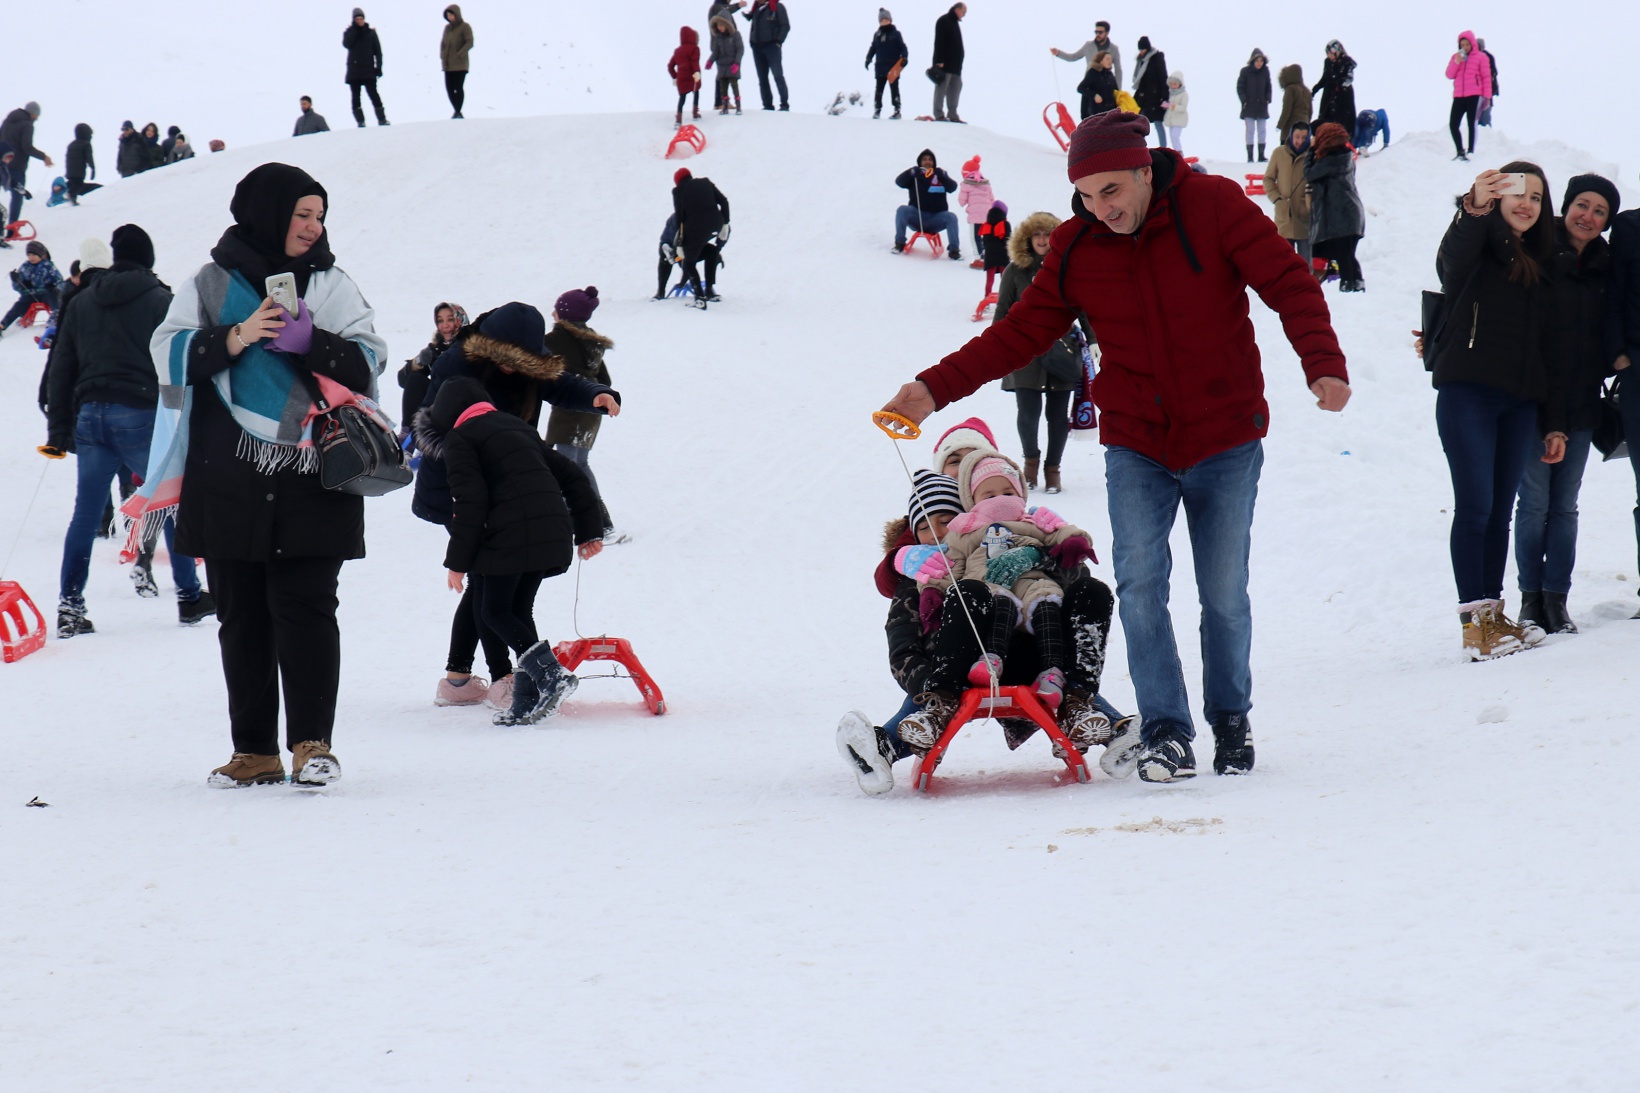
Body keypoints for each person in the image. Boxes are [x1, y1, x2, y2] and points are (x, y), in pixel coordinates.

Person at [877, 110, 1351, 783]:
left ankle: (1230, 719)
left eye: (1111, 190)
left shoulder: (1214, 206)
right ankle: (1167, 732)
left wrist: (1322, 362)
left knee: (1222, 593)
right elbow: (1017, 334)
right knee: (1139, 585)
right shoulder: (1077, 246)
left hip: (1224, 435)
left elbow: (1288, 282)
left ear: (1143, 170)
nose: (1101, 208)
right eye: (1086, 195)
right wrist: (932, 388)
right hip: (1137, 442)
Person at [139, 163, 388, 787]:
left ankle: (312, 745)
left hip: (313, 475)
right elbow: (166, 353)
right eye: (302, 214)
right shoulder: (208, 284)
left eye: (319, 215)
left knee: (307, 609)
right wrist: (236, 335)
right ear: (267, 212)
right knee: (241, 616)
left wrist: (313, 343)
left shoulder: (332, 285)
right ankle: (254, 752)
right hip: (227, 478)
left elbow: (367, 363)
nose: (313, 226)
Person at [412, 302, 620, 711]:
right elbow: (435, 424)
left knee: (487, 585)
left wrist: (595, 393)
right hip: (461, 488)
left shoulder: (530, 371)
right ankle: (504, 679)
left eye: (522, 363)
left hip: (506, 489)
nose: (512, 369)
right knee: (490, 584)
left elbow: (561, 383)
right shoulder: (458, 364)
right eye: (505, 361)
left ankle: (458, 680)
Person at [43, 224, 212, 636]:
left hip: (90, 417)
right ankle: (189, 597)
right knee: (167, 502)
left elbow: (62, 366)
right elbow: (182, 364)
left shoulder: (81, 301)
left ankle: (70, 607)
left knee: (85, 515)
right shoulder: (161, 300)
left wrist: (58, 430)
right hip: (140, 415)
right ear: (147, 259)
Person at [1420, 162, 1559, 659]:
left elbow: (1548, 346)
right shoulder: (1477, 243)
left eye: (1537, 197)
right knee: (1475, 507)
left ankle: (1492, 616)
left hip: (1518, 402)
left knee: (1499, 513)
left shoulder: (1542, 261)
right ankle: (1474, 627)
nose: (1527, 204)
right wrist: (1474, 207)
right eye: (1517, 193)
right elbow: (1451, 262)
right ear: (1498, 199)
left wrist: (1551, 418)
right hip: (1469, 393)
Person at [430, 378, 605, 725]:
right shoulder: (517, 427)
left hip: (510, 535)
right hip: (550, 529)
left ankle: (551, 675)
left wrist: (457, 562)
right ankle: (527, 698)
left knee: (494, 611)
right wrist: (588, 530)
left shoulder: (460, 437)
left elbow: (469, 501)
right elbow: (573, 475)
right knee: (518, 611)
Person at [897, 452, 1092, 707]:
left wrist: (1047, 553)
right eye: (924, 528)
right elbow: (903, 647)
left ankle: (1073, 694)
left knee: (1055, 606)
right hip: (958, 665)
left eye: (946, 521)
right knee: (978, 596)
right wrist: (929, 590)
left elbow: (1074, 569)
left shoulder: (1033, 524)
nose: (937, 534)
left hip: (1030, 643)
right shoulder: (923, 566)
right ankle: (924, 714)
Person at [1513, 175, 1619, 635]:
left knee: (1565, 506)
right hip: (1533, 401)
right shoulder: (1536, 253)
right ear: (1566, 206)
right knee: (1534, 503)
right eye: (1582, 205)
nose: (1588, 216)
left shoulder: (1606, 267)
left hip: (1582, 405)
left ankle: (1556, 598)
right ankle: (1530, 599)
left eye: (1600, 211)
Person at [997, 212, 1080, 492]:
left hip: (1062, 350)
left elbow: (1085, 308)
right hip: (1025, 353)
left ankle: (1053, 469)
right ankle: (1030, 465)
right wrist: (998, 347)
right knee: (1028, 413)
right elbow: (1002, 310)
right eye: (1037, 235)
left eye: (1047, 234)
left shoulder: (1067, 268)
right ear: (1027, 239)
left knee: (1058, 417)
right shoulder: (1015, 271)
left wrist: (1094, 341)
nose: (1042, 240)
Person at [543, 287, 619, 539]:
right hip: (590, 409)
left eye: (557, 308)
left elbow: (533, 354)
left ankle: (589, 521)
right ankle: (600, 521)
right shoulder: (592, 340)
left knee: (567, 467)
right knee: (580, 464)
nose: (552, 313)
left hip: (570, 411)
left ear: (565, 313)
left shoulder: (557, 338)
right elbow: (604, 379)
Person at [1306, 122, 1366, 292]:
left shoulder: (1331, 160)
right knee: (1347, 254)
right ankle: (1356, 284)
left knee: (1342, 254)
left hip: (1342, 214)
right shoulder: (1344, 157)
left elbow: (1309, 174)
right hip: (1351, 213)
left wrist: (1310, 151)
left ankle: (1348, 285)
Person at [398, 301, 467, 438]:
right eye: (440, 321)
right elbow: (403, 380)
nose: (445, 325)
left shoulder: (470, 348)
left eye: (450, 319)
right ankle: (408, 434)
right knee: (415, 379)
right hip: (437, 404)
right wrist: (418, 362)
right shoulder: (436, 349)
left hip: (463, 405)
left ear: (460, 320)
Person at [671, 168, 730, 308]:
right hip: (716, 223)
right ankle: (709, 290)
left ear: (678, 181)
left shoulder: (678, 191)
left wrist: (680, 243)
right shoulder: (705, 182)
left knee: (688, 262)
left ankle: (699, 298)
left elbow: (680, 218)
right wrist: (725, 223)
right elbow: (724, 201)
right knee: (711, 251)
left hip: (696, 227)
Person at [891, 149, 961, 259]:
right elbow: (899, 182)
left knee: (951, 217)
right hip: (917, 216)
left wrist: (942, 176)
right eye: (924, 159)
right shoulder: (915, 176)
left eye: (930, 159)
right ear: (920, 162)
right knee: (902, 210)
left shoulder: (939, 175)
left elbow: (952, 188)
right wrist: (910, 173)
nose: (927, 162)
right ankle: (900, 243)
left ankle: (954, 250)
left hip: (936, 218)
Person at [1263, 122, 1313, 265]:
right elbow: (1268, 179)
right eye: (1297, 137)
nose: (1300, 141)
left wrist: (1309, 202)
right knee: (1284, 265)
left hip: (1305, 219)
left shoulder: (1313, 155)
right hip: (1284, 218)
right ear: (1291, 135)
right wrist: (1277, 199)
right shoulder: (1279, 153)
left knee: (1305, 266)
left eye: (1304, 137)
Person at [1, 102, 51, 232]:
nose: (37, 119)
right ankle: (12, 230)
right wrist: (44, 157)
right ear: (33, 114)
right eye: (37, 116)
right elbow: (27, 147)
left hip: (3, 164)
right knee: (17, 196)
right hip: (17, 165)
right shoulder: (27, 125)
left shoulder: (7, 121)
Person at [1446, 31, 1491, 162]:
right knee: (1453, 124)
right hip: (1459, 95)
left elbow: (1486, 77)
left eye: (1467, 44)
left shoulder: (1481, 57)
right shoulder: (1456, 57)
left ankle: (1471, 151)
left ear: (1472, 44)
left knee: (1471, 122)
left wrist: (1487, 97)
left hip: (1474, 94)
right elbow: (1449, 75)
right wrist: (1457, 62)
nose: (1465, 47)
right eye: (1462, 45)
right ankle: (1460, 151)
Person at [1, 240, 63, 333]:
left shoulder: (48, 266)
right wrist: (16, 281)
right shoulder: (25, 267)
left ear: (41, 255)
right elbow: (18, 288)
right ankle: (3, 325)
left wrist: (56, 289)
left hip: (46, 293)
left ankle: (55, 322)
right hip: (30, 294)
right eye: (29, 255)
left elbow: (60, 281)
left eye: (34, 255)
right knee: (19, 305)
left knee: (55, 302)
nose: (31, 258)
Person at [344, 8, 389, 128]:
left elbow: (378, 52)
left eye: (361, 19)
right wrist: (355, 30)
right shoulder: (349, 32)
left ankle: (382, 119)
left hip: (368, 70)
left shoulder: (371, 33)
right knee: (355, 97)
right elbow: (346, 44)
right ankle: (360, 122)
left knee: (374, 95)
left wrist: (379, 67)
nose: (359, 21)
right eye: (357, 19)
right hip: (354, 71)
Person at [742, 0, 790, 112]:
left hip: (772, 46)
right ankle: (767, 105)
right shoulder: (756, 9)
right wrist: (752, 42)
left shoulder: (777, 7)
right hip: (757, 47)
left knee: (778, 76)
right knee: (762, 78)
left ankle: (784, 104)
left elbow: (785, 25)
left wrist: (778, 41)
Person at [1051, 21, 1122, 92]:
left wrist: (1118, 90)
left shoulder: (1114, 49)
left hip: (1106, 85)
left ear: (1107, 33)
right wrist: (1058, 53)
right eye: (1096, 32)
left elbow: (1118, 70)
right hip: (1090, 84)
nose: (1098, 34)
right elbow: (1073, 57)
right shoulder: (1088, 46)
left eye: (1100, 32)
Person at [864, 9, 907, 121]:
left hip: (893, 67)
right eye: (882, 20)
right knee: (879, 90)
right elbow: (873, 48)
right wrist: (868, 58)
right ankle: (877, 110)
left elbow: (903, 47)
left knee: (894, 89)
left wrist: (905, 57)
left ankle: (897, 111)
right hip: (880, 67)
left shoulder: (896, 34)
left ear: (890, 20)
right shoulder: (877, 35)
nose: (884, 22)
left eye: (886, 20)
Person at [1130, 37, 1169, 147]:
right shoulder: (1140, 61)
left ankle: (1163, 148)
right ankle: (1140, 147)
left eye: (1143, 49)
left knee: (1158, 123)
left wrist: (1165, 97)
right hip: (1144, 98)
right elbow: (1140, 81)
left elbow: (1163, 77)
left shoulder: (1157, 57)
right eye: (1140, 49)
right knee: (1140, 123)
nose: (1142, 52)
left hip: (1156, 98)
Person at [931, 3, 966, 124]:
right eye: (963, 12)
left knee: (956, 87)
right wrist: (939, 60)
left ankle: (952, 114)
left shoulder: (954, 22)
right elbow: (939, 41)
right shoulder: (944, 20)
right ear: (957, 9)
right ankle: (939, 114)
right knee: (942, 88)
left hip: (955, 66)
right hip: (945, 64)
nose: (964, 15)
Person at [956, 156, 994, 265]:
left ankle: (979, 259)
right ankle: (987, 257)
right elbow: (992, 200)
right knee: (986, 237)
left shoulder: (966, 184)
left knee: (975, 237)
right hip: (987, 216)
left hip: (975, 216)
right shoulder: (985, 183)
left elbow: (962, 201)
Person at [1313, 40, 1357, 129]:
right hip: (1328, 96)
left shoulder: (1346, 62)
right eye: (1327, 53)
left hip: (1342, 98)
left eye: (1330, 53)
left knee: (1342, 123)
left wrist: (1340, 83)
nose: (1329, 55)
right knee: (1324, 121)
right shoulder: (1328, 62)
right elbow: (1324, 78)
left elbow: (1349, 79)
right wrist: (1314, 90)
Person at [707, 13, 745, 116]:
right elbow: (716, 52)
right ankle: (724, 107)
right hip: (722, 67)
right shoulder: (718, 37)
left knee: (734, 86)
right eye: (718, 25)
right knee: (723, 87)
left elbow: (740, 49)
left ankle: (738, 106)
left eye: (721, 25)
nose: (720, 28)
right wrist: (710, 61)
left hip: (732, 66)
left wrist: (737, 63)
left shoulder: (735, 35)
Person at [1238, 49, 1271, 163]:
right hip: (1249, 106)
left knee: (1262, 130)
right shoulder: (1245, 71)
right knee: (1250, 130)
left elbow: (1268, 86)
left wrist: (1268, 98)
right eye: (1257, 60)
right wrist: (1244, 100)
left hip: (1262, 106)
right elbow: (1240, 87)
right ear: (1252, 61)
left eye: (1261, 61)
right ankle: (1250, 156)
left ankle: (1261, 155)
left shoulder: (1265, 72)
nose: (1259, 63)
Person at [441, 5, 474, 119]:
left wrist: (460, 54)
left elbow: (470, 42)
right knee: (449, 88)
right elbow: (443, 44)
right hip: (448, 64)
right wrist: (443, 55)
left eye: (451, 15)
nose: (449, 17)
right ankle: (456, 110)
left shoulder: (465, 27)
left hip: (460, 65)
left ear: (457, 14)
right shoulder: (447, 28)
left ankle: (458, 111)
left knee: (458, 87)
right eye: (448, 15)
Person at [668, 26, 703, 128]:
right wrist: (696, 72)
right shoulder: (695, 49)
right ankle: (695, 113)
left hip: (681, 78)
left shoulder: (678, 51)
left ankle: (678, 119)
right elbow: (694, 62)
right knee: (696, 91)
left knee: (682, 98)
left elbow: (670, 66)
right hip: (692, 76)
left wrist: (675, 77)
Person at [1275, 63, 1311, 148]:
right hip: (1304, 126)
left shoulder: (1290, 89)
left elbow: (1286, 110)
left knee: (1286, 153)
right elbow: (1310, 111)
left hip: (1290, 128)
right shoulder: (1306, 90)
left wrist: (1280, 125)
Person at [1075, 52, 1119, 120]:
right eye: (1107, 59)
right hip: (1097, 114)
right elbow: (1081, 88)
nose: (1110, 61)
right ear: (1100, 60)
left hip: (1112, 112)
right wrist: (1094, 95)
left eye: (1111, 59)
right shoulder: (1092, 73)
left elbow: (1116, 91)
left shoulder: (1110, 74)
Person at [978, 201, 1009, 297]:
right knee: (1005, 279)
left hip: (990, 255)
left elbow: (985, 242)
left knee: (990, 280)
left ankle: (986, 298)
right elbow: (1008, 240)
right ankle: (1005, 298)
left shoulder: (986, 224)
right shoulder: (1005, 224)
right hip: (1003, 255)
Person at [1162, 71, 1188, 155]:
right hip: (1171, 120)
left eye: (1175, 84)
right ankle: (1176, 153)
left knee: (1175, 136)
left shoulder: (1184, 94)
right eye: (1172, 84)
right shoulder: (1170, 94)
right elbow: (1168, 105)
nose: (1173, 86)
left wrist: (1173, 106)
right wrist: (1166, 105)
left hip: (1179, 119)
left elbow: (1183, 107)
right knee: (1172, 138)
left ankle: (1179, 152)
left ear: (1180, 84)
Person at [1476, 38, 1499, 127]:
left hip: (1487, 91)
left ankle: (1486, 132)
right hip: (1476, 91)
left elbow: (1493, 73)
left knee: (1485, 117)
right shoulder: (1471, 57)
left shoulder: (1488, 57)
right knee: (1477, 117)